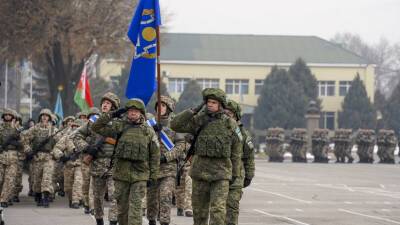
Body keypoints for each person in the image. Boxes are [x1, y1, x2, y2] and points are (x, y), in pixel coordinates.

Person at [171, 88, 242, 225]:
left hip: (221, 174)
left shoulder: (230, 124)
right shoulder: (199, 120)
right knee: (199, 212)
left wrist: (234, 175)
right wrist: (194, 110)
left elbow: (236, 151)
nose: (210, 104)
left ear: (220, 105)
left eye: (214, 102)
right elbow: (175, 125)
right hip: (200, 173)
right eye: (208, 102)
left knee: (218, 210)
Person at [91, 98, 160, 225]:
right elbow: (96, 127)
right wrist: (112, 114)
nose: (133, 113)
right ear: (127, 112)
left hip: (140, 175)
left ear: (141, 113)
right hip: (121, 175)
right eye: (130, 111)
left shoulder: (148, 131)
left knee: (135, 208)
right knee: (122, 210)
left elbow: (155, 155)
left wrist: (153, 177)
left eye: (136, 111)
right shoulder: (119, 126)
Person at [73, 92, 119, 225]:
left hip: (113, 164)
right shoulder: (93, 122)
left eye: (108, 103)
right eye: (104, 102)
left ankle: (113, 221)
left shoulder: (119, 122)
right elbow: (77, 136)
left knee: (114, 196)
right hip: (97, 164)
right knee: (97, 198)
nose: (105, 105)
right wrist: (87, 148)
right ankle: (99, 220)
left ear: (114, 106)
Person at [146, 96, 186, 225]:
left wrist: (166, 157)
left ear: (168, 109)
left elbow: (181, 146)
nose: (160, 108)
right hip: (151, 169)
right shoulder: (148, 124)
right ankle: (152, 220)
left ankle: (164, 221)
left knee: (165, 197)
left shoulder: (175, 125)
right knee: (151, 201)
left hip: (168, 169)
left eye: (163, 106)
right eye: (158, 105)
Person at [224, 100, 255, 225]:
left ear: (236, 116)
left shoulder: (242, 134)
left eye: (230, 113)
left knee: (231, 208)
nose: (227, 116)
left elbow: (249, 157)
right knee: (217, 209)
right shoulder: (217, 129)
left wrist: (249, 176)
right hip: (218, 174)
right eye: (225, 113)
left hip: (236, 177)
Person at [24, 108, 60, 207]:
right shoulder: (35, 129)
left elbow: (61, 143)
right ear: (40, 117)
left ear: (49, 118)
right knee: (37, 179)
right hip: (37, 157)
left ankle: (46, 198)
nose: (44, 117)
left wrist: (55, 152)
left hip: (49, 157)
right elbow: (24, 139)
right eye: (43, 115)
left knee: (47, 178)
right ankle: (39, 196)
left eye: (46, 116)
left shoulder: (53, 130)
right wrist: (28, 150)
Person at [53, 119, 83, 208]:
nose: (75, 128)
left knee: (78, 182)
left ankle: (76, 201)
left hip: (80, 165)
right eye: (74, 126)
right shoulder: (66, 138)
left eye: (78, 127)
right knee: (68, 187)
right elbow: (56, 148)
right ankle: (71, 199)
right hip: (68, 165)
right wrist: (62, 156)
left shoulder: (85, 138)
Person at [0, 108, 23, 207]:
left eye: (10, 115)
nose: (8, 116)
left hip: (13, 157)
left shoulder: (17, 129)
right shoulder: (0, 128)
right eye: (6, 115)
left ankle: (4, 199)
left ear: (13, 117)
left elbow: (23, 142)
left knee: (9, 180)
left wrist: (16, 143)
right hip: (1, 156)